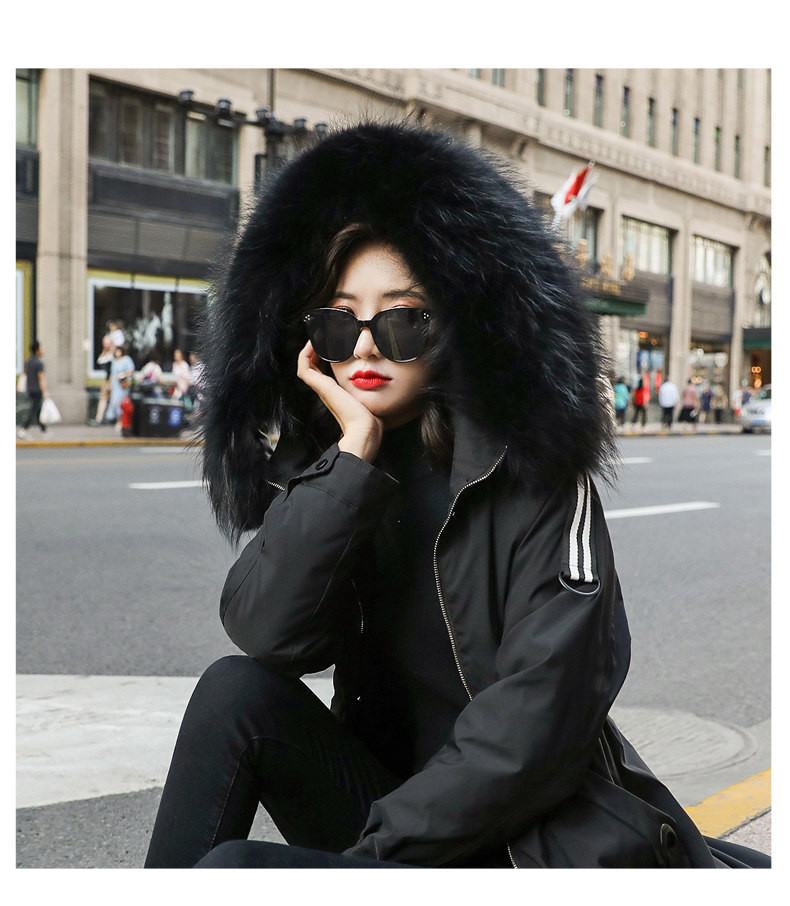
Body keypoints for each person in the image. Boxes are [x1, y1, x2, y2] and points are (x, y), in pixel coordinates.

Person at [144, 121, 769, 870]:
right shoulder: (339, 462)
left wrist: (370, 860)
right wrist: (350, 462)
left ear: (457, 326)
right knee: (233, 693)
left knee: (236, 874)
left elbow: (542, 719)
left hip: (520, 844)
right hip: (397, 822)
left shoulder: (529, 468)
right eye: (339, 322)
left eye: (403, 319)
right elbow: (266, 634)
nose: (365, 345)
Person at [18, 340, 48, 438]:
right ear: (37, 350)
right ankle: (24, 430)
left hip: (29, 389)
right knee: (34, 410)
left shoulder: (29, 362)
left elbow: (24, 374)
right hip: (37, 390)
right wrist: (45, 391)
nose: (42, 350)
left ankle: (44, 430)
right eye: (41, 348)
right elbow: (41, 378)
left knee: (37, 410)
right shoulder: (39, 363)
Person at [89, 334, 116, 426]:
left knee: (114, 400)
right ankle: (99, 418)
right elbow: (100, 362)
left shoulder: (115, 353)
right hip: (107, 380)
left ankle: (115, 420)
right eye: (105, 343)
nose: (106, 345)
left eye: (108, 343)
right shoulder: (104, 354)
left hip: (115, 381)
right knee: (103, 398)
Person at [106, 345, 135, 426]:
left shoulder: (127, 359)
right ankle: (118, 419)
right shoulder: (114, 361)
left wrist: (123, 374)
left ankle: (122, 421)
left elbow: (131, 370)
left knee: (120, 402)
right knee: (114, 402)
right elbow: (112, 374)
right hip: (115, 384)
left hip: (122, 384)